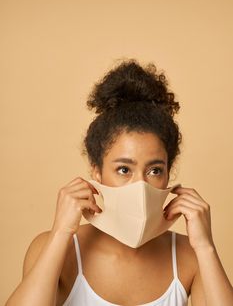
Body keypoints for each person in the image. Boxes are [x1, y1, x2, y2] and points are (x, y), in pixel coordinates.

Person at [5, 59, 233, 306]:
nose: (140, 185)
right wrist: (61, 233)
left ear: (169, 173)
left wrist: (205, 246)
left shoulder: (189, 256)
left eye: (155, 170)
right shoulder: (56, 249)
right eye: (124, 169)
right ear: (97, 172)